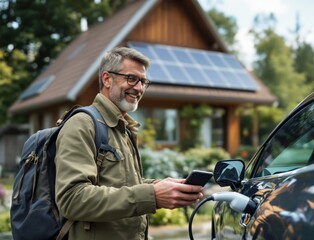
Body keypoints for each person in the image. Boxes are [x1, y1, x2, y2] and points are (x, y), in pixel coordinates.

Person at [55, 47, 203, 240]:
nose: (140, 88)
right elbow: (72, 199)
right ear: (107, 79)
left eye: (143, 81)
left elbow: (122, 185)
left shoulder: (123, 128)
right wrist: (153, 195)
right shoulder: (82, 124)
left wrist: (162, 186)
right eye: (131, 78)